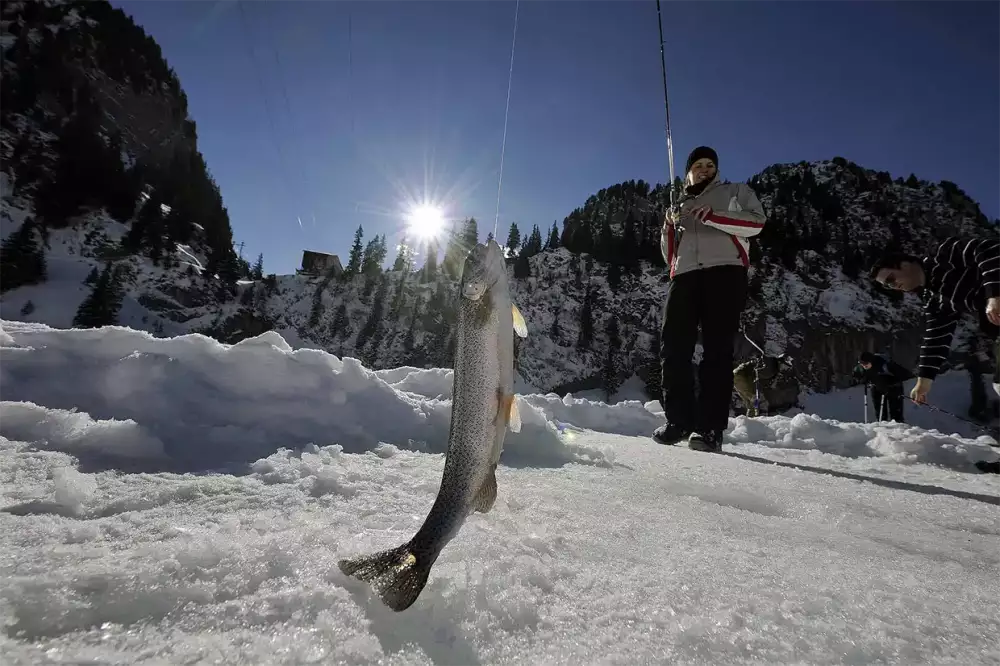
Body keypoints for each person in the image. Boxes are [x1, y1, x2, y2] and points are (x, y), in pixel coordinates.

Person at [651, 146, 767, 451]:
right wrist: (668, 225)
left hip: (725, 273)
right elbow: (670, 256)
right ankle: (679, 420)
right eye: (699, 165)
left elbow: (755, 223)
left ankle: (710, 428)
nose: (706, 169)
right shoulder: (679, 205)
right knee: (673, 346)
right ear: (688, 171)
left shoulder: (735, 192)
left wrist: (714, 217)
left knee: (717, 349)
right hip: (685, 275)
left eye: (710, 165)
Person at [869, 236, 1000, 406]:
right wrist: (923, 382)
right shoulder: (933, 300)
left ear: (905, 265)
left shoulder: (944, 254)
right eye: (886, 286)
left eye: (890, 280)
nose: (892, 286)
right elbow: (936, 337)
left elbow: (988, 249)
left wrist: (995, 294)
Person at [852, 351, 913, 422]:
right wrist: (862, 379)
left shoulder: (885, 365)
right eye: (862, 363)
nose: (864, 365)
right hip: (876, 388)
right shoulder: (860, 368)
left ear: (871, 361)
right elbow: (856, 376)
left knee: (895, 414)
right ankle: (882, 427)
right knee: (880, 414)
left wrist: (890, 381)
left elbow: (905, 374)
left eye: (866, 363)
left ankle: (898, 428)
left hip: (893, 388)